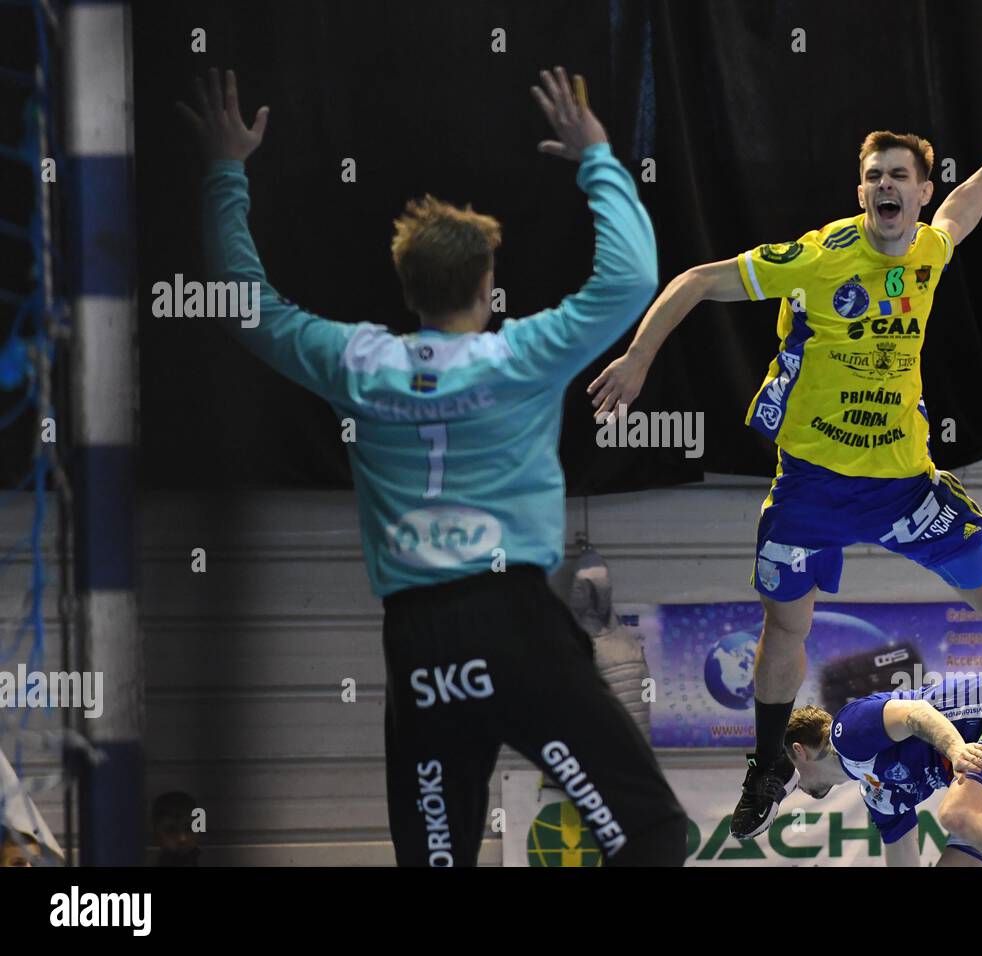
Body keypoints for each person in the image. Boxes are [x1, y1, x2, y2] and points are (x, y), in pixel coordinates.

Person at [587, 83, 982, 839]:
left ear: (920, 190)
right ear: (861, 190)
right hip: (812, 486)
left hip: (906, 485)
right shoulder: (817, 257)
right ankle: (768, 762)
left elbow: (961, 216)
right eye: (873, 176)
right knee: (785, 626)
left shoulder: (929, 250)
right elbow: (696, 280)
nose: (883, 187)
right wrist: (640, 359)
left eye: (898, 175)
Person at [179, 66, 687, 866]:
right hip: (516, 621)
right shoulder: (522, 353)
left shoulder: (357, 361)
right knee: (651, 833)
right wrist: (598, 156)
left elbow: (243, 300)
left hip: (419, 642)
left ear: (407, 285)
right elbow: (628, 280)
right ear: (489, 287)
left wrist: (224, 169)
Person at [786, 673, 982, 866]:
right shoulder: (876, 793)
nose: (791, 785)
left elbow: (916, 713)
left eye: (786, 770)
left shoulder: (846, 733)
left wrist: (956, 749)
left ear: (800, 751)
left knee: (957, 813)